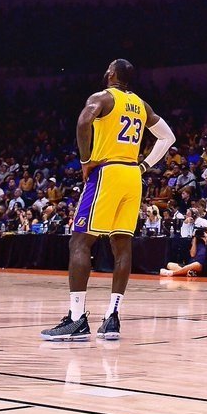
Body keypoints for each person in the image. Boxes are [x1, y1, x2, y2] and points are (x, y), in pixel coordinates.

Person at [42, 59, 176, 342]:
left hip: (107, 171)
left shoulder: (102, 97)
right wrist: (144, 165)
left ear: (112, 74)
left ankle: (77, 319)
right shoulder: (142, 105)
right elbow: (168, 137)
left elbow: (83, 122)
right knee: (122, 245)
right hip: (132, 176)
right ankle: (112, 318)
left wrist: (85, 160)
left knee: (80, 240)